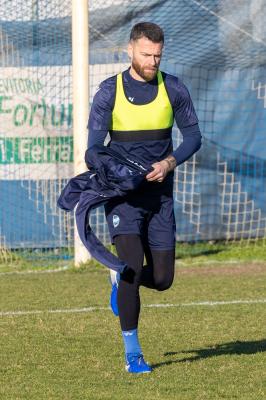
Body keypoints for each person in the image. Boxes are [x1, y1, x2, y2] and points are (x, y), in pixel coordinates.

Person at [87, 22, 202, 374]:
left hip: (161, 197)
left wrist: (169, 162)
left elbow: (194, 138)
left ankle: (119, 280)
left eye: (157, 55)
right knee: (132, 269)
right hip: (123, 199)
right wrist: (115, 171)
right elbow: (92, 151)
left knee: (164, 279)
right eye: (145, 54)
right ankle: (133, 354)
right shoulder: (110, 91)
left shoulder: (175, 88)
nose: (152, 61)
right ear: (130, 50)